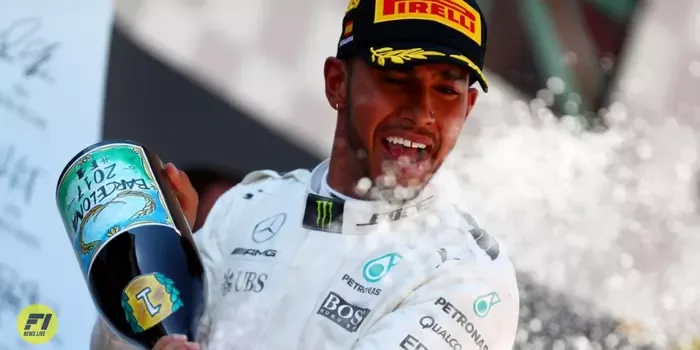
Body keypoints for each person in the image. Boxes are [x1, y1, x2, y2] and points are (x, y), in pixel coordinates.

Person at [91, 0, 519, 348]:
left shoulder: (469, 275)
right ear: (337, 83)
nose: (423, 113)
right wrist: (157, 249)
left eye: (447, 90)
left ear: (468, 108)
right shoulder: (247, 207)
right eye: (396, 78)